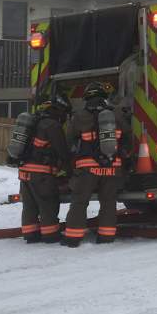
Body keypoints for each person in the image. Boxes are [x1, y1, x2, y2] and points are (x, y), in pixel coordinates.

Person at [63, 83, 125, 247]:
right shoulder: (115, 115)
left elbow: (68, 141)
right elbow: (127, 137)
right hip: (112, 168)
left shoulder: (79, 116)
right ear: (103, 97)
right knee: (108, 202)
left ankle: (72, 238)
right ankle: (106, 237)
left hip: (87, 168)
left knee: (80, 202)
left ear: (86, 98)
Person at [18, 93, 71, 244]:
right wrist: (71, 170)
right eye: (63, 112)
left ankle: (30, 235)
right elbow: (62, 151)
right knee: (47, 204)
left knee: (30, 206)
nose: (64, 116)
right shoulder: (52, 125)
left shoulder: (34, 121)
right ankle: (50, 235)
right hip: (41, 174)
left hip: (25, 173)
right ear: (57, 109)